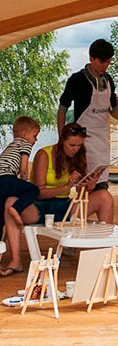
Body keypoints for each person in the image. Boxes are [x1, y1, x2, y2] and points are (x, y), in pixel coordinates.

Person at [1, 122, 106, 277]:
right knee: (11, 202)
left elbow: (79, 195)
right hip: (40, 206)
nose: (75, 149)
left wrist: (89, 187)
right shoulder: (44, 154)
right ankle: (16, 261)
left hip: (64, 207)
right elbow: (38, 193)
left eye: (79, 145)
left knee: (104, 197)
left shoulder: (78, 156)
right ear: (62, 140)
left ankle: (105, 255)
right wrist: (67, 186)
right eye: (72, 145)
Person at [57, 38, 118, 219]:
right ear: (91, 58)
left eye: (108, 62)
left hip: (102, 141)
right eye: (102, 62)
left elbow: (113, 108)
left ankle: (98, 229)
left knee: (102, 185)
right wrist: (62, 137)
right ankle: (78, 226)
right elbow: (63, 108)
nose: (105, 66)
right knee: (85, 188)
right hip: (82, 141)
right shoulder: (77, 79)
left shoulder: (108, 80)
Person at [0, 116, 41, 274]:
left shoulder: (10, 145)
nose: (36, 140)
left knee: (1, 221)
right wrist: (24, 180)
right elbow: (23, 169)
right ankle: (16, 209)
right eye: (35, 136)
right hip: (7, 178)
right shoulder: (24, 144)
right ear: (24, 134)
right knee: (33, 190)